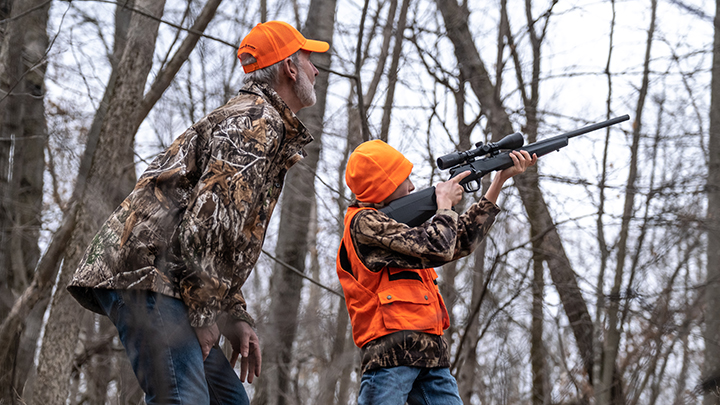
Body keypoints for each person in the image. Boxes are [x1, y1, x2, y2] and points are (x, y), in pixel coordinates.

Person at [67, 21, 329, 405]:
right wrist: (205, 316)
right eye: (308, 59)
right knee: (183, 399)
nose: (316, 69)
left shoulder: (258, 120)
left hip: (173, 278)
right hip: (151, 273)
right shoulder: (255, 123)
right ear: (289, 68)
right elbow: (208, 227)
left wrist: (234, 314)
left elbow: (227, 238)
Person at [336, 139, 536, 405]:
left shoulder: (393, 228)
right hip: (391, 355)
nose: (411, 186)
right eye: (403, 180)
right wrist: (444, 207)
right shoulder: (364, 223)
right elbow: (438, 248)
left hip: (431, 354)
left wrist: (498, 181)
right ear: (383, 186)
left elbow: (458, 242)